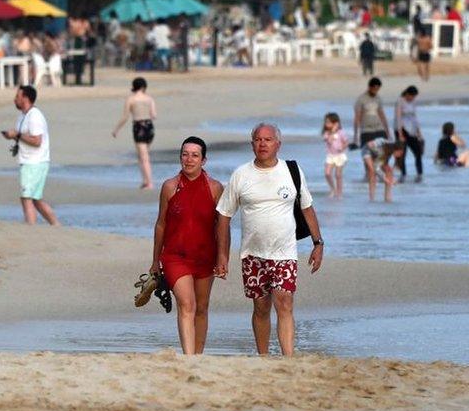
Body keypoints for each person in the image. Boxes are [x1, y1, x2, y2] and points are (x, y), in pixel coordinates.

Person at [214, 123, 324, 356]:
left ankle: (288, 358)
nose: (262, 144)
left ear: (278, 144)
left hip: (284, 252)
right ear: (252, 144)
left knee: (284, 303)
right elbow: (223, 215)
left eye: (268, 139)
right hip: (252, 254)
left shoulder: (291, 171)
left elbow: (307, 208)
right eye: (258, 139)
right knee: (261, 307)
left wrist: (318, 244)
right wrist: (222, 255)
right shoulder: (241, 174)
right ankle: (263, 356)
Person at [150, 136, 224, 355]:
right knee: (187, 304)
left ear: (204, 160)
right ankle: (188, 358)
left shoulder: (215, 188)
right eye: (185, 154)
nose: (189, 159)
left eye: (194, 155)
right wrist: (155, 261)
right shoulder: (170, 187)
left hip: (205, 256)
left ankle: (198, 356)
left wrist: (222, 257)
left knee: (201, 308)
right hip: (175, 257)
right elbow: (161, 225)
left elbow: (222, 227)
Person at [2, 85, 60, 226]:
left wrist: (18, 135)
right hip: (32, 161)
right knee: (36, 199)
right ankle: (56, 226)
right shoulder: (23, 115)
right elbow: (23, 136)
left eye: (18, 97)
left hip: (35, 162)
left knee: (26, 197)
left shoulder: (35, 116)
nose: (15, 99)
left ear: (25, 98)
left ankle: (31, 229)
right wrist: (13, 137)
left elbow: (37, 141)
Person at [112, 77, 157, 189]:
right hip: (149, 127)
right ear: (144, 87)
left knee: (143, 157)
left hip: (139, 127)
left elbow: (125, 117)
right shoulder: (149, 99)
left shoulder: (131, 99)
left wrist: (116, 130)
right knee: (143, 156)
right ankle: (145, 181)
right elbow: (154, 115)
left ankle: (149, 182)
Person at [394, 85, 424, 183]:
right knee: (403, 153)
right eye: (411, 96)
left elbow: (415, 117)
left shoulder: (414, 102)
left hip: (411, 130)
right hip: (400, 129)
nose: (412, 98)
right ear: (407, 94)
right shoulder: (400, 101)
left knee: (418, 152)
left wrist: (419, 132)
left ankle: (420, 174)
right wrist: (400, 134)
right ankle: (403, 175)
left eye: (414, 96)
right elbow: (398, 117)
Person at [361, 137, 405, 202]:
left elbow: (389, 167)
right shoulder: (383, 149)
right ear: (396, 149)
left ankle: (387, 198)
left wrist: (392, 179)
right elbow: (376, 168)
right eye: (400, 153)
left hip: (378, 154)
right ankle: (372, 198)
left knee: (389, 171)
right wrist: (385, 179)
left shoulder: (389, 151)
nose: (401, 155)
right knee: (372, 171)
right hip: (367, 150)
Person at [353, 77, 391, 148]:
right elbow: (357, 118)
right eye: (374, 89)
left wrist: (387, 132)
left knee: (384, 152)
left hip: (379, 129)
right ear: (369, 87)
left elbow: (382, 115)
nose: (376, 91)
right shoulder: (361, 99)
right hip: (366, 130)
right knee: (368, 153)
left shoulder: (378, 98)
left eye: (377, 89)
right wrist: (356, 136)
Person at [321, 112, 348, 198]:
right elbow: (329, 141)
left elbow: (346, 142)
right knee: (327, 173)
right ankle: (333, 188)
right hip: (331, 156)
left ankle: (339, 193)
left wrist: (343, 148)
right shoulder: (327, 133)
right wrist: (332, 132)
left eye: (328, 122)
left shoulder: (341, 132)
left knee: (338, 175)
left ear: (335, 123)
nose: (326, 124)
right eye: (326, 122)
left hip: (340, 156)